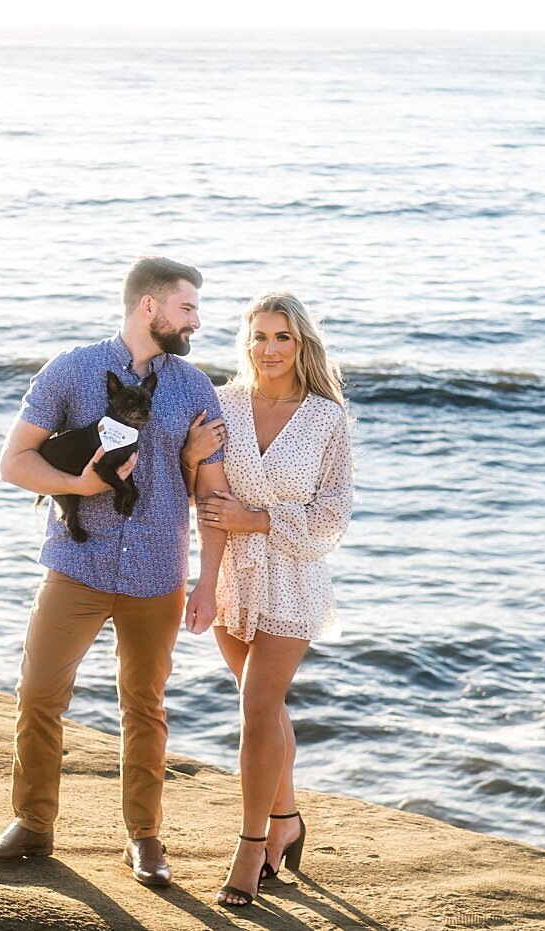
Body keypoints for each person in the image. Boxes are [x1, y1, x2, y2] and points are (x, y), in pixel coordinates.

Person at [0, 256, 230, 888]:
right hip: (75, 562)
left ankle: (144, 839)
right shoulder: (71, 369)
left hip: (157, 572)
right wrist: (75, 483)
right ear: (150, 306)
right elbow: (14, 462)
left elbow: (212, 492)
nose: (196, 321)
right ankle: (33, 822)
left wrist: (207, 581)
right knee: (38, 695)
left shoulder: (195, 387)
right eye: (187, 308)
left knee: (145, 707)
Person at [181, 291, 353, 908]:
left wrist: (258, 519)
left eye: (283, 337)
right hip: (231, 576)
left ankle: (251, 846)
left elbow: (333, 514)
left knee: (257, 705)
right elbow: (201, 499)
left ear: (302, 343)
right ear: (246, 341)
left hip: (293, 574)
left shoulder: (326, 418)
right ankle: (287, 821)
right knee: (265, 705)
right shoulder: (221, 404)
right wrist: (192, 456)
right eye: (259, 336)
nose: (270, 349)